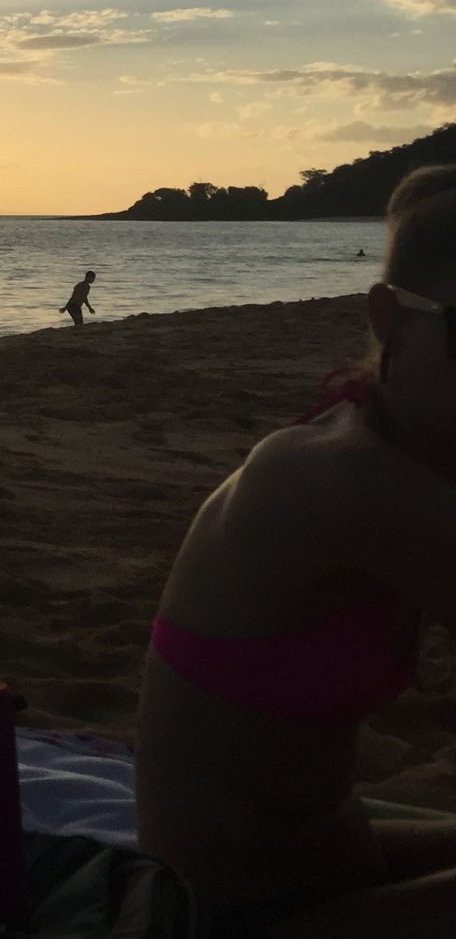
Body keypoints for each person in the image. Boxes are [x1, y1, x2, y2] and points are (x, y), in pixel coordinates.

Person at [136, 164, 456, 936]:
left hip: (328, 858)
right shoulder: (343, 479)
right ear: (389, 318)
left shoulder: (405, 445)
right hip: (230, 911)